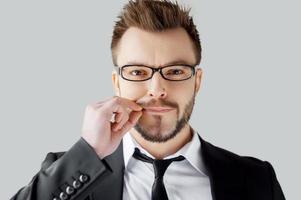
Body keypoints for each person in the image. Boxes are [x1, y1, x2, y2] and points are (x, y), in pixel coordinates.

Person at [11, 0, 286, 200]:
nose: (157, 89)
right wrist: (90, 152)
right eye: (138, 72)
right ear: (117, 83)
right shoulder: (71, 174)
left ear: (197, 81)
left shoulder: (256, 181)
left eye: (176, 71)